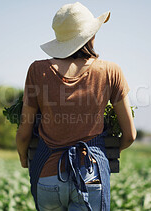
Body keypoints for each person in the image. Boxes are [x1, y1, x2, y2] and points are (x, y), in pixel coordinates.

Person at [15, 2, 136, 211]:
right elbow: (130, 135)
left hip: (47, 175)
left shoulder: (37, 71)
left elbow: (24, 134)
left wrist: (24, 158)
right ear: (90, 36)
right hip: (90, 177)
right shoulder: (110, 71)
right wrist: (108, 152)